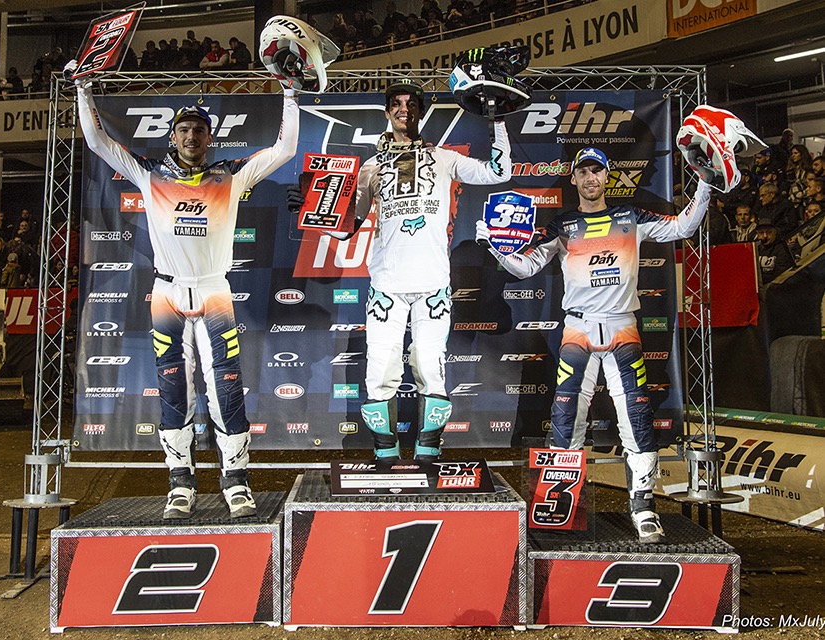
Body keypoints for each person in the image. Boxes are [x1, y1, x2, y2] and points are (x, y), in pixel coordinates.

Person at [66, 58, 300, 519]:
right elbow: (97, 141)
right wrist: (83, 89)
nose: (192, 136)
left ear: (210, 138)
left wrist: (290, 94)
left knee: (226, 389)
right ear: (172, 137)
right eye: (184, 130)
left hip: (214, 292)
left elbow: (285, 149)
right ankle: (180, 483)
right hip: (168, 295)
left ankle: (236, 482)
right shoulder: (149, 173)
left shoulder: (231, 175)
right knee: (173, 388)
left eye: (199, 130)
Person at [476, 147, 713, 543]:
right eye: (583, 172)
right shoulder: (563, 225)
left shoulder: (631, 217)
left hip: (623, 329)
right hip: (578, 330)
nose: (590, 178)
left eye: (596, 171)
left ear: (607, 176)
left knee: (636, 419)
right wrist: (494, 246)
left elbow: (684, 227)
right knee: (567, 419)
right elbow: (526, 267)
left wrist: (704, 183)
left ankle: (643, 507)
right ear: (574, 178)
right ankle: (560, 509)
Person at [290, 78, 512, 463]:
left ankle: (429, 452)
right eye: (396, 102)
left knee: (431, 369)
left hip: (432, 285)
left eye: (411, 103)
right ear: (387, 110)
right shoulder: (371, 166)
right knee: (379, 373)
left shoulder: (444, 158)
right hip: (387, 286)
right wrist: (311, 207)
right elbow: (347, 227)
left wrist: (497, 119)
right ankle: (385, 455)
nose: (404, 109)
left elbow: (498, 171)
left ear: (421, 111)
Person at [755, 219, 795, 284]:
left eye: (769, 232)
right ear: (757, 234)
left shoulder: (783, 248)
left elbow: (781, 274)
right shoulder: (755, 248)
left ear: (775, 232)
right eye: (761, 232)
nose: (765, 236)